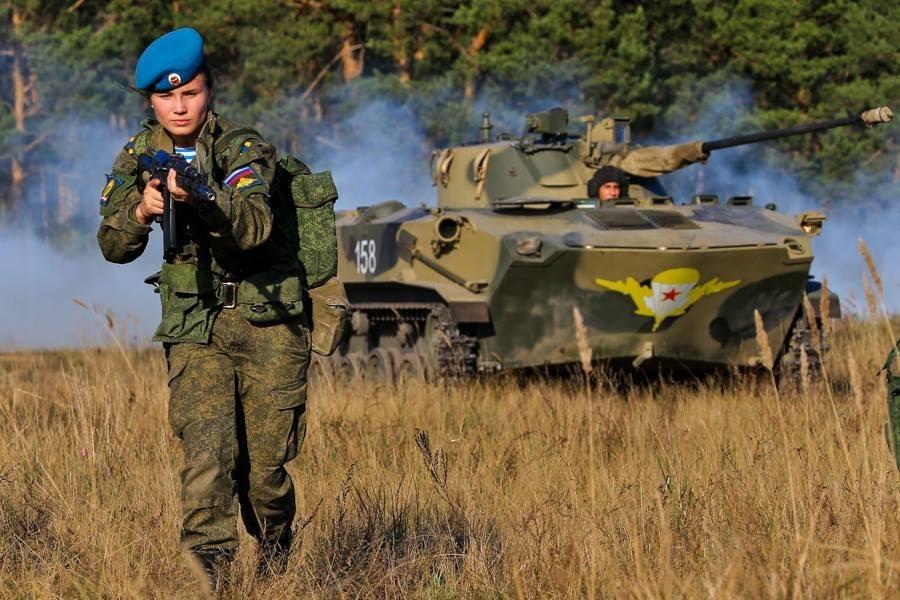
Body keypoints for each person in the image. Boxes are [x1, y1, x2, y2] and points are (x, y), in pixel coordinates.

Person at [97, 28, 310, 589]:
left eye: (189, 92)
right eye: (167, 98)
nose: (180, 105)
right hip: (196, 326)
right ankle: (207, 576)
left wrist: (206, 198)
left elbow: (258, 227)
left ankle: (275, 549)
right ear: (152, 103)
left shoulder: (242, 147)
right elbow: (112, 247)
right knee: (207, 456)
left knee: (264, 472)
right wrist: (142, 212)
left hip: (266, 324)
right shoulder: (138, 155)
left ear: (208, 90)